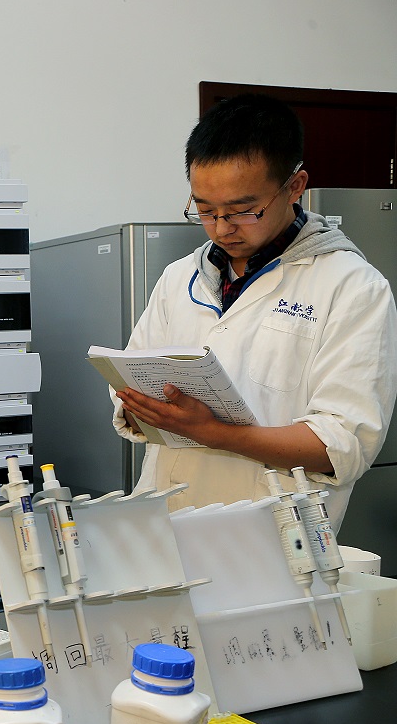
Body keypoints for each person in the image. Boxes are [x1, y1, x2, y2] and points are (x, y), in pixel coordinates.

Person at [112, 93, 397, 524]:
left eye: (243, 211)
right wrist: (140, 407)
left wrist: (214, 433)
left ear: (295, 186)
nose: (221, 228)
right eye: (205, 210)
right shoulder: (179, 277)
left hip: (275, 536)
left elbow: (342, 444)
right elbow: (132, 381)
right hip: (165, 525)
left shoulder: (352, 287)